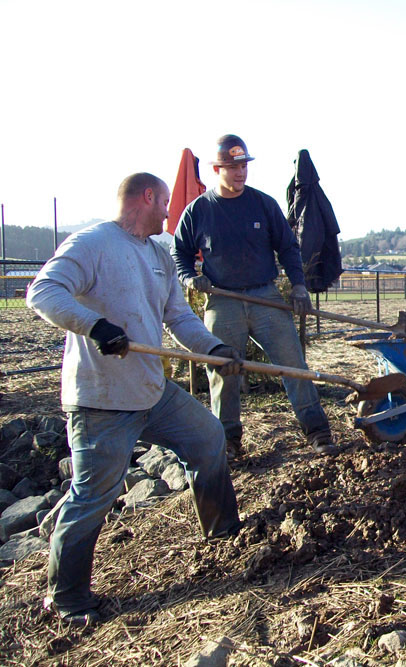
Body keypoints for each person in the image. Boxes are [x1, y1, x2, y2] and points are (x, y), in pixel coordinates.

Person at [27, 173, 243, 626]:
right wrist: (96, 326)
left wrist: (214, 349)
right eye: (164, 203)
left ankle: (224, 534)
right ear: (147, 197)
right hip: (101, 400)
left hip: (151, 391)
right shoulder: (92, 244)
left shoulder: (158, 255)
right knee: (94, 495)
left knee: (208, 437)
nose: (169, 212)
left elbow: (178, 316)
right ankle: (67, 598)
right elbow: (42, 292)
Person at [171, 134, 336, 457]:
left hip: (265, 296)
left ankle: (318, 432)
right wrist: (190, 277)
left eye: (244, 166)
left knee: (293, 365)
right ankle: (228, 442)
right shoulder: (198, 211)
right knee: (223, 370)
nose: (240, 173)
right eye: (233, 167)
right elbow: (180, 253)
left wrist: (298, 285)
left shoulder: (263, 204)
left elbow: (288, 247)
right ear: (217, 169)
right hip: (222, 299)